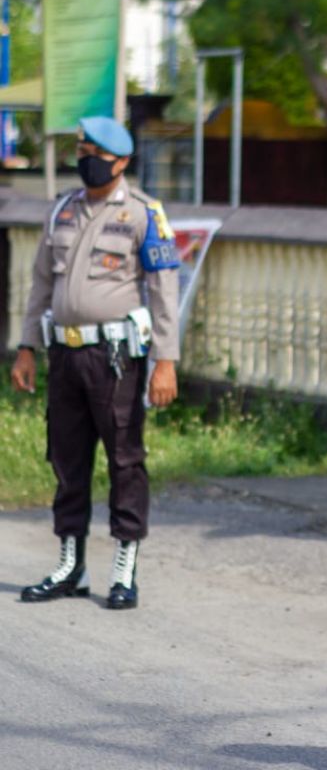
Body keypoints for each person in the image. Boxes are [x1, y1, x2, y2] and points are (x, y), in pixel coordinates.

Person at [11, 116, 181, 611]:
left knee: (124, 459)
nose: (86, 159)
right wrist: (26, 347)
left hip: (116, 358)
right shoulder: (62, 210)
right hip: (64, 353)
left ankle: (124, 566)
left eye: (96, 153)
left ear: (122, 161)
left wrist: (165, 361)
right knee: (66, 459)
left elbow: (163, 292)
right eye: (81, 150)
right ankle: (71, 564)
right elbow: (41, 283)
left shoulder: (144, 213)